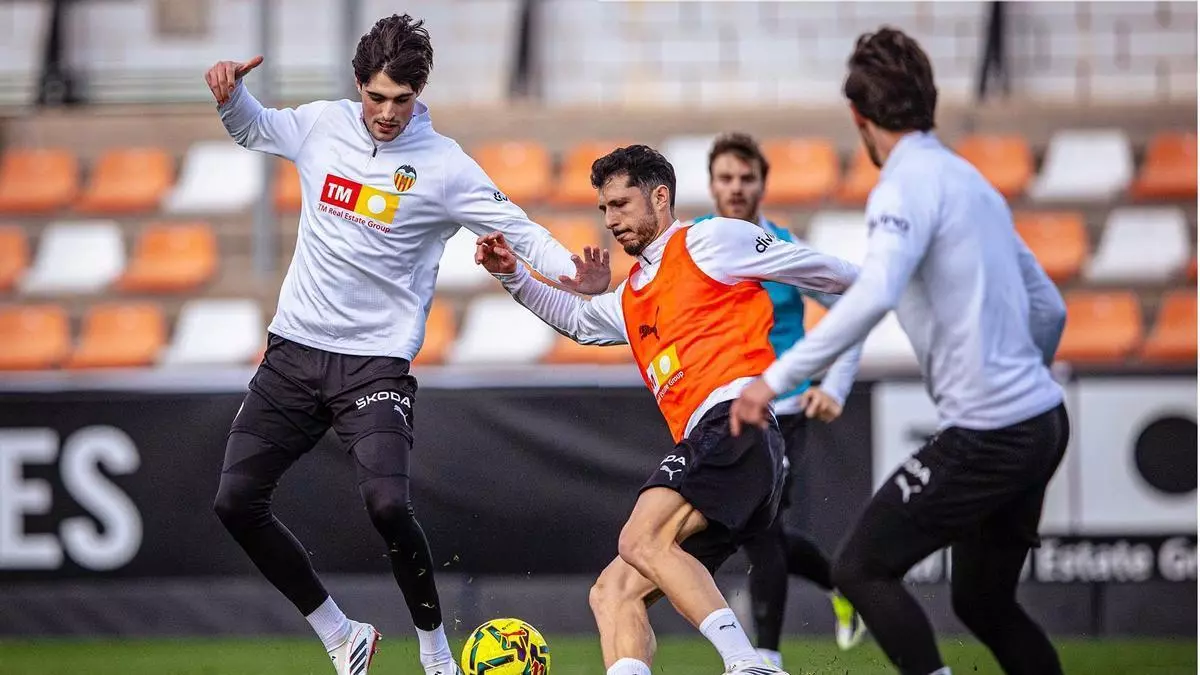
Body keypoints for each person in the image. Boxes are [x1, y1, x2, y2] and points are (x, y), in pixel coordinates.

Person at [204, 14, 611, 675]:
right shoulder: (322, 125)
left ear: (419, 93)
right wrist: (231, 96)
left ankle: (435, 650)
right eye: (377, 97)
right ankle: (342, 635)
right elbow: (253, 128)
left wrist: (574, 273)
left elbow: (519, 229)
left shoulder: (444, 165)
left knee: (388, 505)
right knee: (234, 502)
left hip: (374, 365)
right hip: (294, 352)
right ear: (357, 85)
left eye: (402, 98)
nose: (388, 113)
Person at [730, 27, 1069, 675]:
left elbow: (875, 292)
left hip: (990, 430)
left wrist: (772, 380)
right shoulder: (972, 182)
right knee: (984, 602)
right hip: (1043, 420)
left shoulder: (902, 187)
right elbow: (1049, 307)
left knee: (861, 568)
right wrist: (1024, 383)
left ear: (859, 117)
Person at [474, 144, 860, 675]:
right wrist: (514, 276)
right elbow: (579, 322)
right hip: (711, 443)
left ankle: (748, 664)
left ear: (660, 197)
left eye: (621, 204)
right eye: (604, 209)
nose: (611, 221)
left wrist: (847, 353)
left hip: (735, 423)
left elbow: (836, 275)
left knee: (640, 538)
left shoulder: (710, 240)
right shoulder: (632, 293)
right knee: (612, 592)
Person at [700, 132, 866, 666]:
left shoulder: (782, 248)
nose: (736, 187)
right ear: (712, 185)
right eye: (726, 177)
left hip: (783, 410)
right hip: (720, 411)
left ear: (762, 184)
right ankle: (843, 583)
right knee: (755, 529)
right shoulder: (697, 243)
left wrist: (834, 385)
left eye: (746, 178)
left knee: (763, 528)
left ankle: (766, 659)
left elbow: (855, 307)